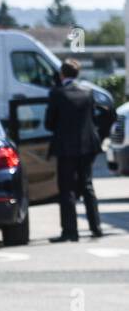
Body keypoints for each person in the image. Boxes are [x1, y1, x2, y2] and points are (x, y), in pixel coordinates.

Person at [44, 59, 103, 242]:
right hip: (87, 147)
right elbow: (93, 118)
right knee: (87, 186)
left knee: (66, 189)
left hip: (65, 148)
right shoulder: (88, 92)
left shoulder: (57, 94)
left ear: (62, 74)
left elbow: (49, 123)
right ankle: (96, 227)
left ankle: (70, 231)